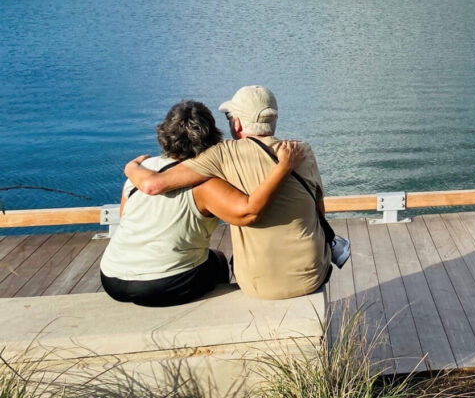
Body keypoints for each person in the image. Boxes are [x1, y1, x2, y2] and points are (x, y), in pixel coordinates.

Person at [124, 86, 347, 300]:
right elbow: (320, 209)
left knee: (219, 261)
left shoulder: (221, 155)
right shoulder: (302, 151)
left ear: (237, 123)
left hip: (254, 284)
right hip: (311, 276)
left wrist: (131, 167)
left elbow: (154, 185)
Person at [101, 100, 304, 307]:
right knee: (218, 261)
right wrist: (283, 167)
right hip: (162, 284)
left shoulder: (141, 171)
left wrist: (131, 167)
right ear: (212, 135)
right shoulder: (206, 184)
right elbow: (248, 213)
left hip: (111, 277)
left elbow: (125, 218)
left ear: (164, 133)